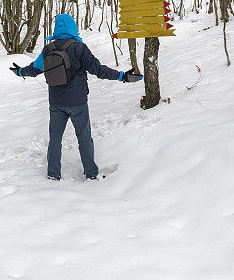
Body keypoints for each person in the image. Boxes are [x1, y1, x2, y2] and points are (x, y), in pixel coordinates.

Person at [10, 13, 142, 180]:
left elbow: (35, 69)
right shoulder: (79, 48)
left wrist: (20, 71)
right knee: (84, 137)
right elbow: (98, 70)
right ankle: (91, 174)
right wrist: (122, 76)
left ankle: (53, 174)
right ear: (73, 27)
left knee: (55, 139)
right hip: (78, 102)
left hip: (56, 103)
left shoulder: (48, 49)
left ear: (56, 29)